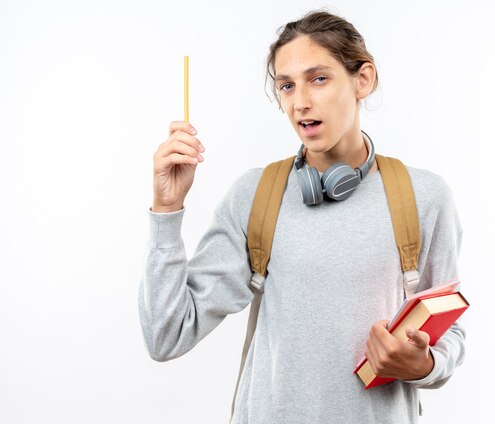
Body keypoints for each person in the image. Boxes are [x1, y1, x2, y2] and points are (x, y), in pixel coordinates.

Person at [139, 9, 465, 424]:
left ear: (363, 79)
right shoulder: (255, 195)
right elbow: (166, 335)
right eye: (287, 86)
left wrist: (423, 365)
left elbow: (448, 328)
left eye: (319, 79)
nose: (300, 102)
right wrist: (166, 210)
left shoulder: (424, 196)